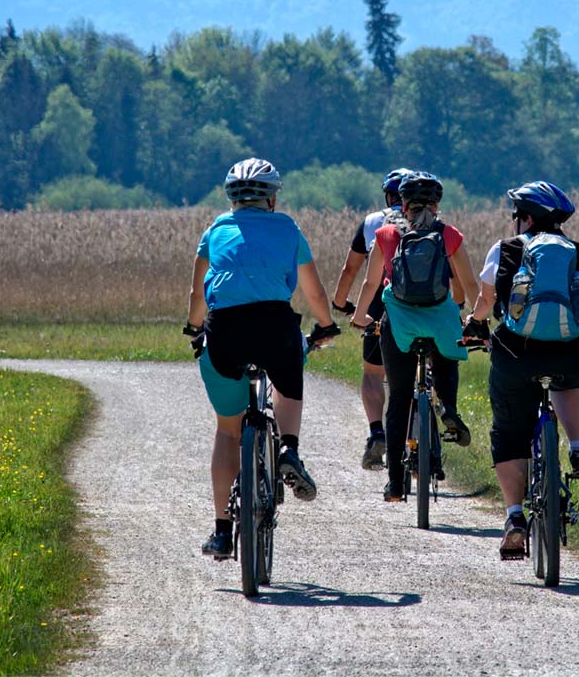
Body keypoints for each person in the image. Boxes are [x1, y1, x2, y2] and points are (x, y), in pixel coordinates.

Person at [186, 158, 341, 559]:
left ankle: (221, 530)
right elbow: (315, 292)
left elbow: (196, 298)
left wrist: (193, 328)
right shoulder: (288, 228)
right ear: (272, 198)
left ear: (232, 198)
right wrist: (325, 326)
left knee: (227, 431)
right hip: (275, 327)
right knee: (289, 379)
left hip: (225, 332)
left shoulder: (215, 230)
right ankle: (288, 448)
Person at [462, 181, 579, 559]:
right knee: (568, 380)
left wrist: (474, 325)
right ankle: (578, 449)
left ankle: (514, 517)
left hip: (516, 354)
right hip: (570, 353)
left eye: (517, 215)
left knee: (509, 430)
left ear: (526, 217)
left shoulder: (506, 249)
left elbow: (486, 299)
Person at [352, 171, 479, 502]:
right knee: (448, 360)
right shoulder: (449, 235)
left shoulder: (385, 233)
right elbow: (469, 285)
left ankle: (395, 483)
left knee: (398, 400)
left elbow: (370, 284)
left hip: (400, 324)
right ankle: (448, 407)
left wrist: (359, 315)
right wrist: (470, 316)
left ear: (401, 203)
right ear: (436, 205)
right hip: (440, 320)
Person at [330, 168, 412, 471]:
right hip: (424, 308)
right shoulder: (431, 222)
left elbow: (351, 269)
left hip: (380, 305)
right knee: (426, 363)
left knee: (373, 372)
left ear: (387, 195)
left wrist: (341, 303)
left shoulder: (373, 222)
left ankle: (377, 431)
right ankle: (435, 412)